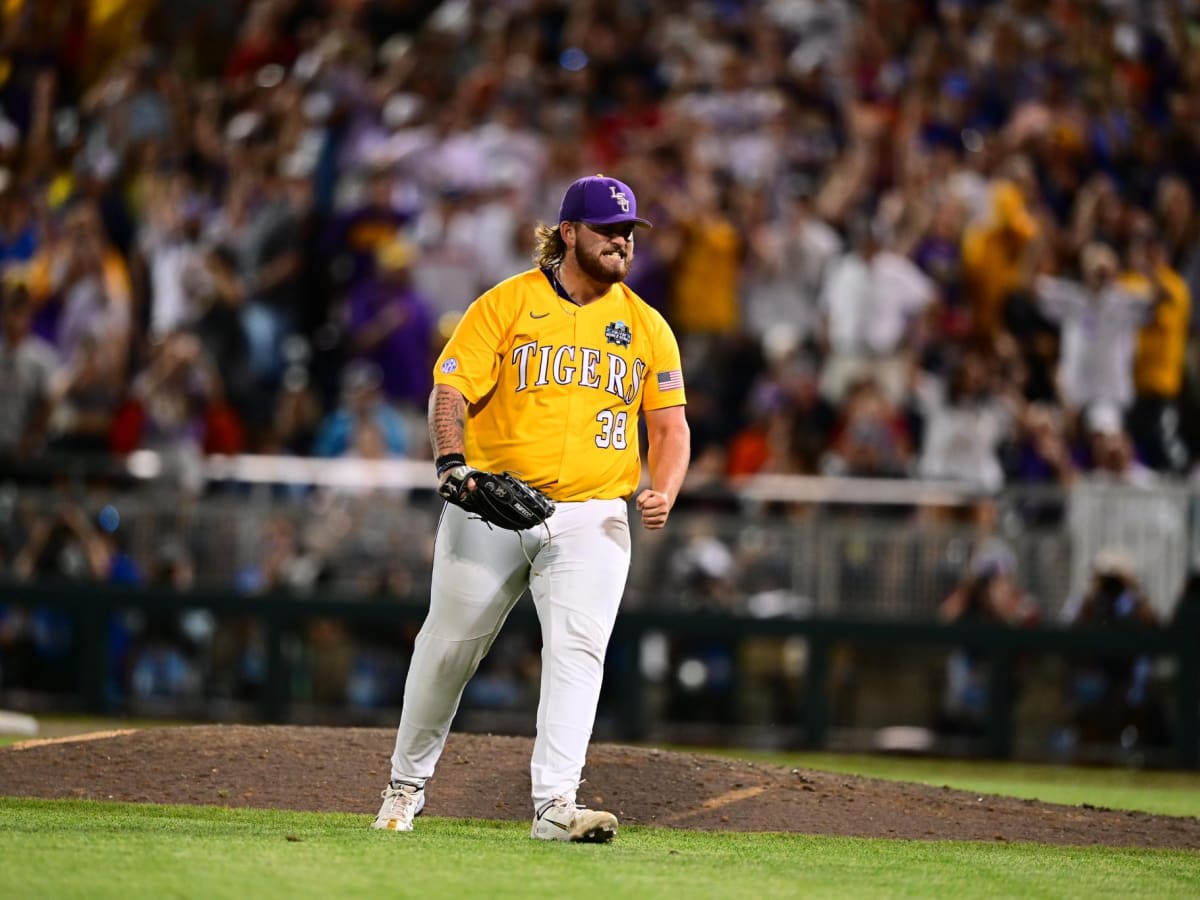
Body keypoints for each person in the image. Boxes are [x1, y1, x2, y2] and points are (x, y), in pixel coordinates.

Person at [372, 174, 691, 842]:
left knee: (579, 652)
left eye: (628, 232)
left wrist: (664, 485)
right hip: (493, 504)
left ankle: (555, 806)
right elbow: (448, 393)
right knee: (449, 649)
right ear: (568, 231)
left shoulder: (645, 324)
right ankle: (405, 786)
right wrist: (452, 465)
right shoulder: (506, 304)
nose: (621, 243)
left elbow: (669, 426)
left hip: (593, 513)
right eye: (608, 230)